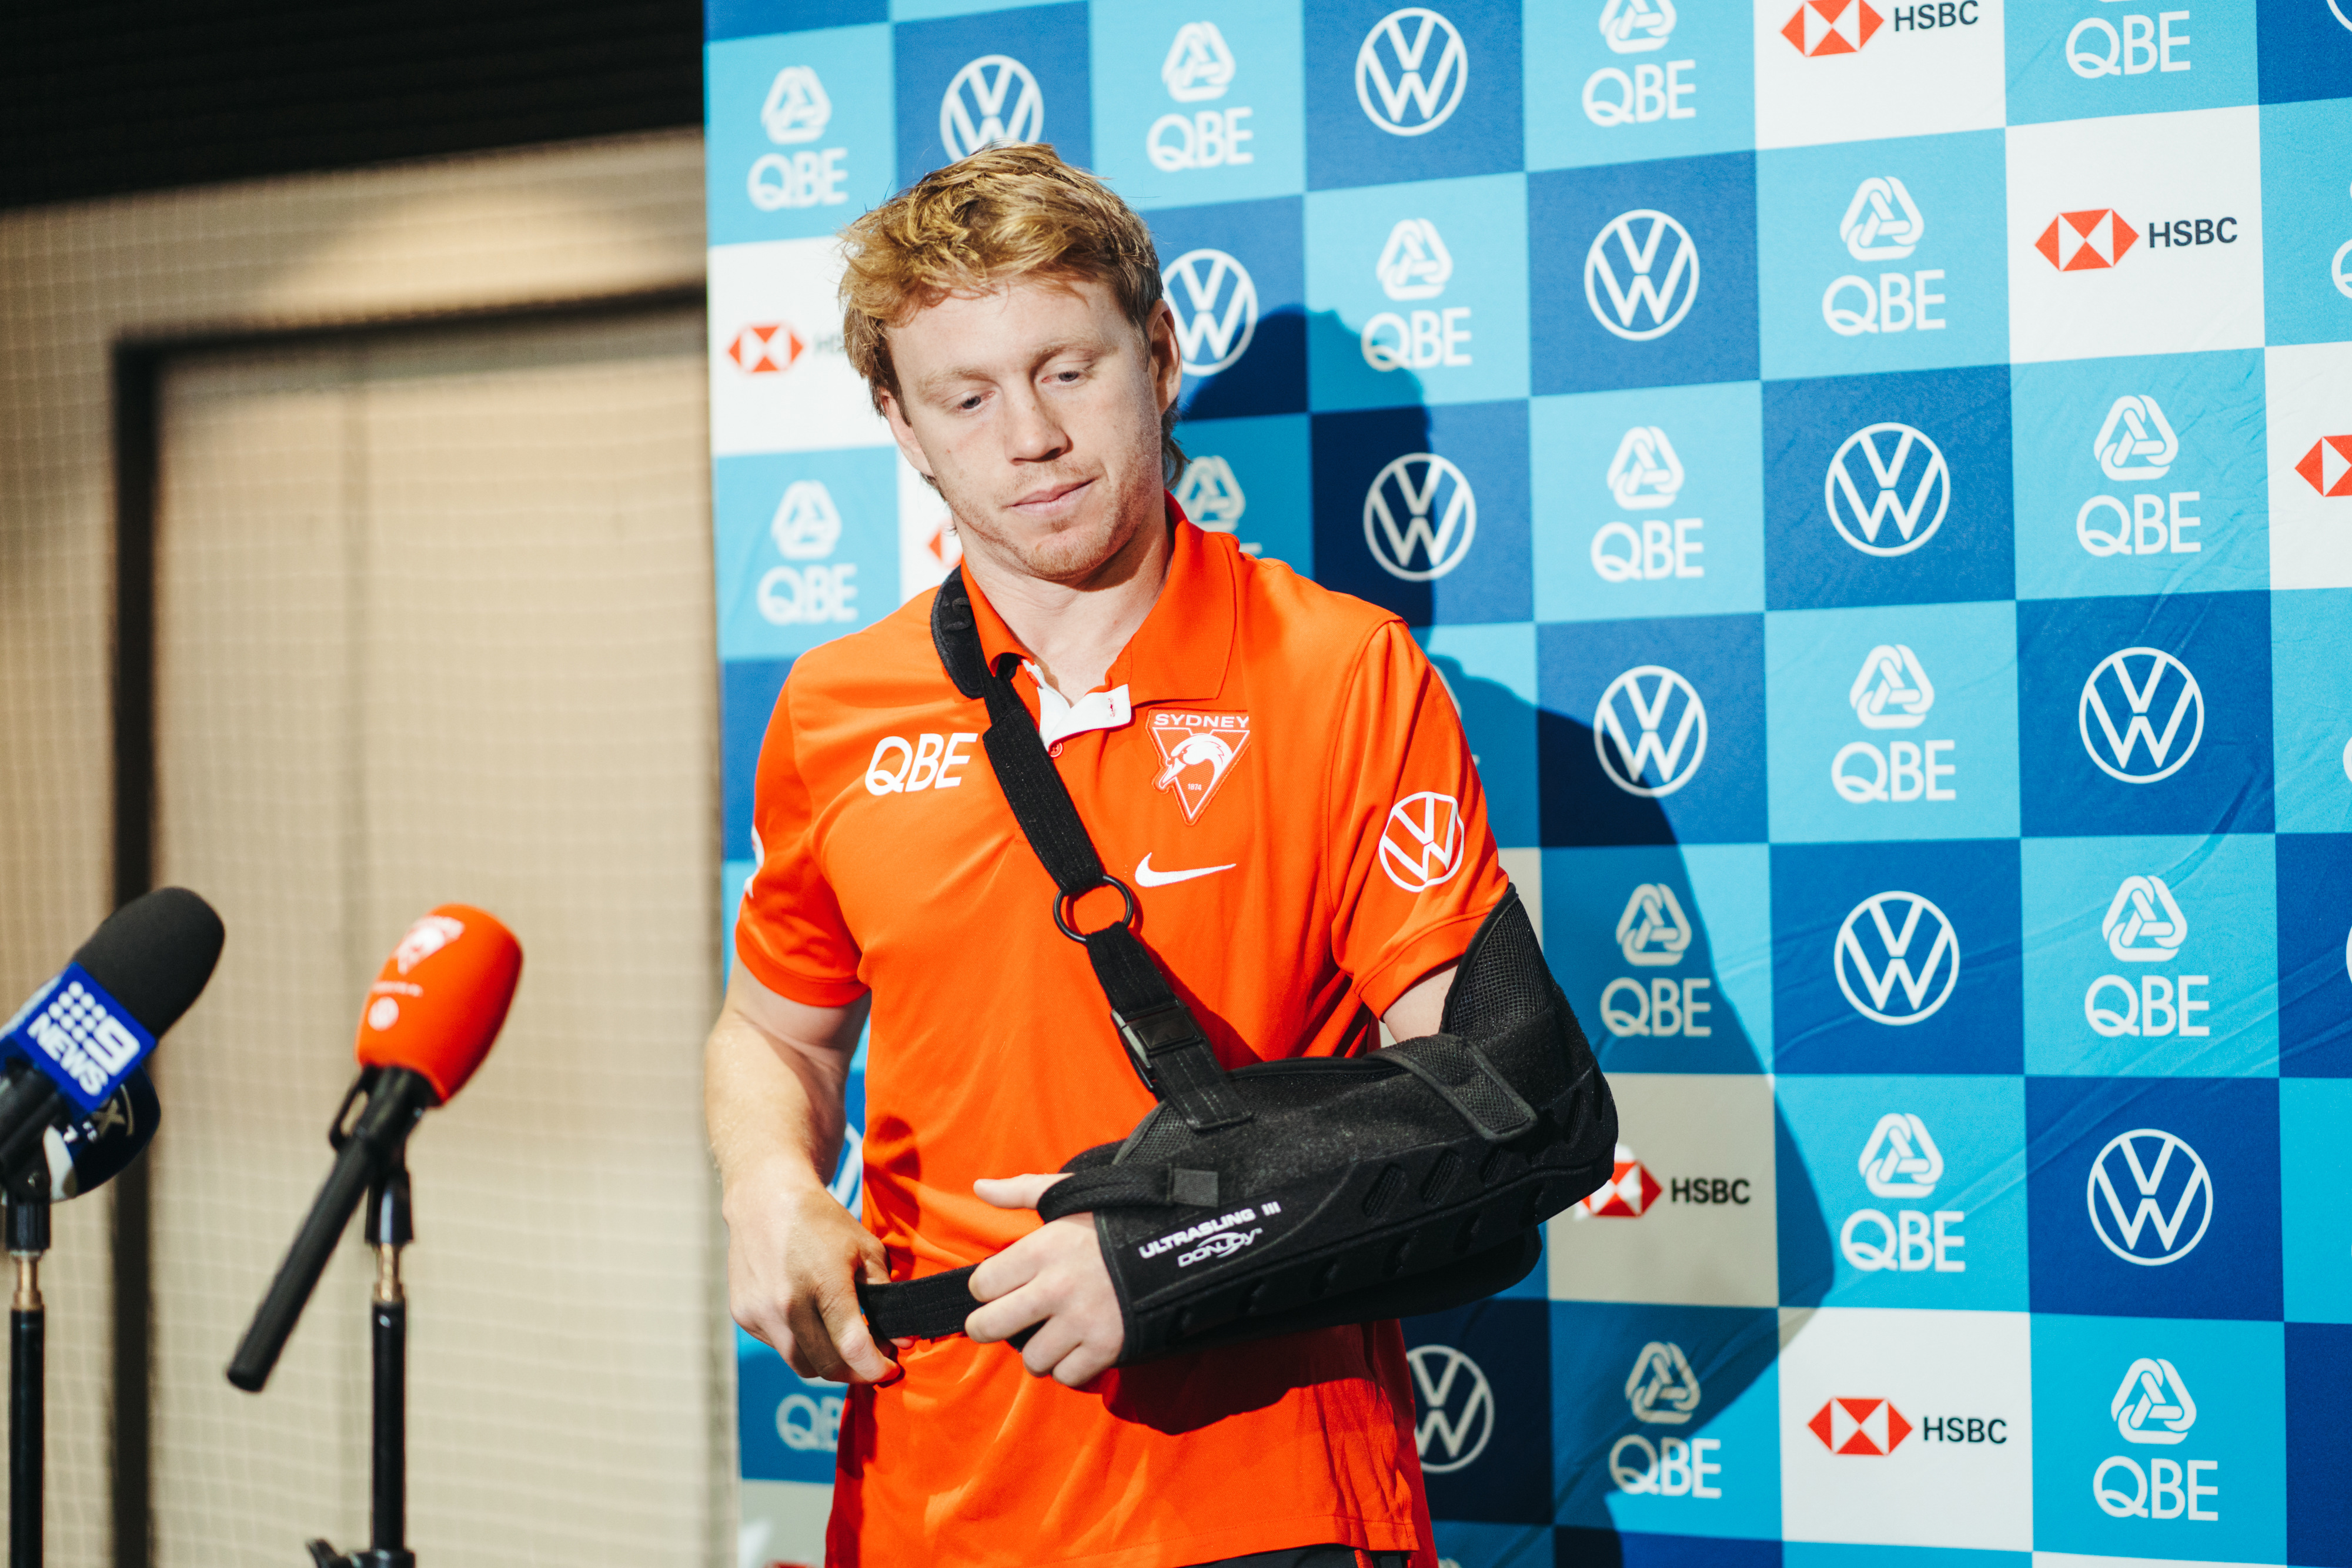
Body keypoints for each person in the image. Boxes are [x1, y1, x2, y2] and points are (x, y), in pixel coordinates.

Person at [704, 143, 1511, 1568]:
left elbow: (1481, 1105)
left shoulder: (1339, 669)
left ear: (1158, 354)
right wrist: (766, 1179)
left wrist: (1186, 1242)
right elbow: (777, 1029)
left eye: (1067, 369)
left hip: (1271, 1493)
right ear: (900, 422)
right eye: (965, 394)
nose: (1030, 436)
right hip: (928, 1487)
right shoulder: (835, 706)